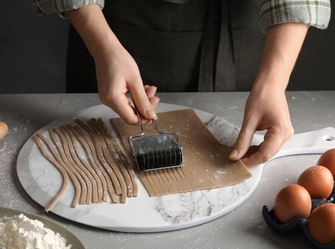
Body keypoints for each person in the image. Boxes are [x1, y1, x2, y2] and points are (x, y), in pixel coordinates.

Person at [32, 0, 331, 168]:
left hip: (247, 34)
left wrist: (274, 83)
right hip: (117, 28)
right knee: (99, 144)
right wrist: (103, 47)